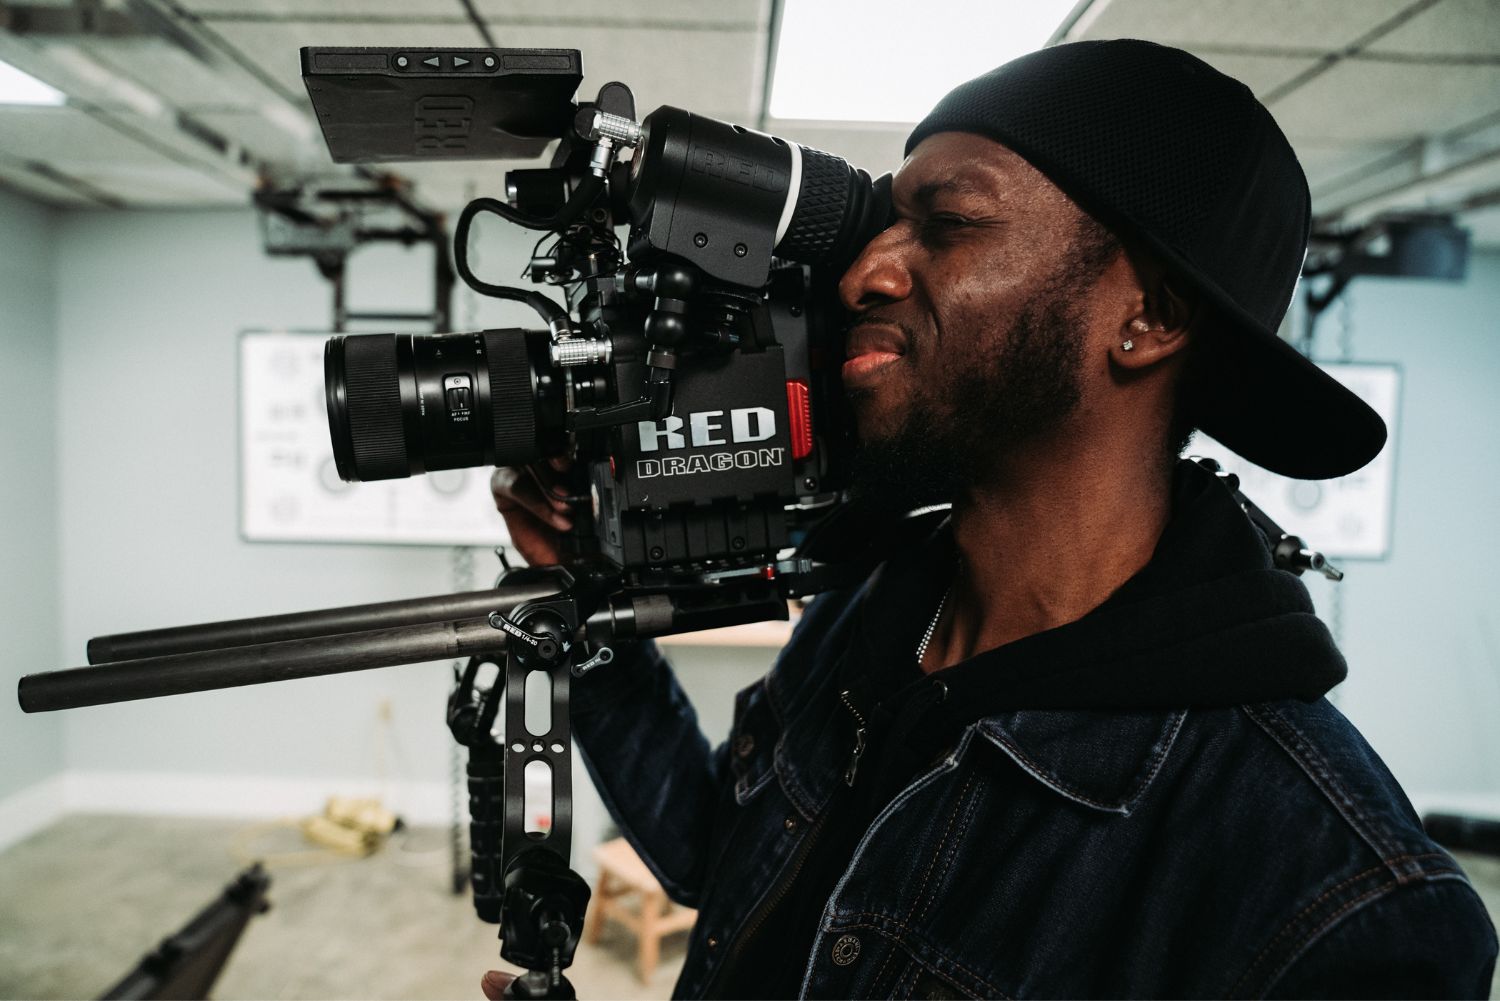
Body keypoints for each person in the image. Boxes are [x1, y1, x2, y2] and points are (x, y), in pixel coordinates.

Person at [486, 39, 1498, 999]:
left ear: (1152, 317)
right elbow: (723, 847)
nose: (863, 274)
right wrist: (583, 585)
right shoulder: (877, 605)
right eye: (887, 222)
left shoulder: (1336, 892)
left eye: (949, 223)